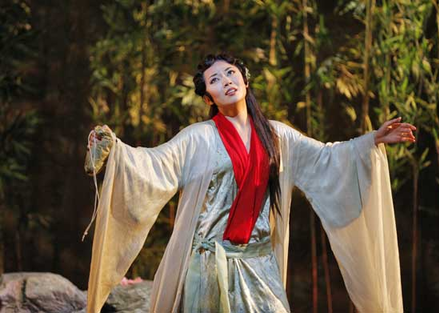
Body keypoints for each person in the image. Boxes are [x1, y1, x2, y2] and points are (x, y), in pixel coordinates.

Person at [84, 53, 415, 313]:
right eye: (215, 80)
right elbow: (153, 164)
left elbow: (325, 158)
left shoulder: (277, 135)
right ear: (208, 98)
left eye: (230, 73)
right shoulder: (197, 138)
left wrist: (371, 140)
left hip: (259, 262)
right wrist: (114, 149)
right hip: (208, 267)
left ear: (244, 78)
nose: (226, 81)